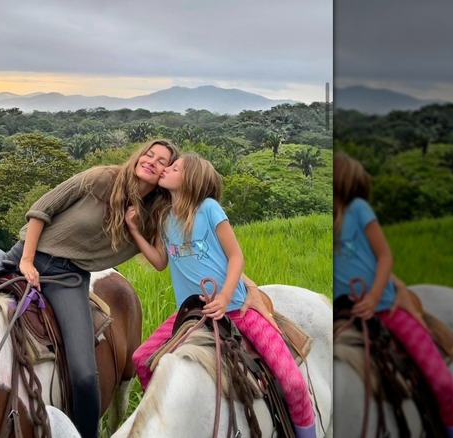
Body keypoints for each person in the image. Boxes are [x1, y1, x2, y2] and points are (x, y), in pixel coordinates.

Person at [127, 153, 316, 438]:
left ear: (189, 180)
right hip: (191, 314)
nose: (166, 168)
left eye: (174, 167)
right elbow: (159, 261)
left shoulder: (210, 209)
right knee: (141, 359)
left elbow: (236, 256)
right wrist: (134, 230)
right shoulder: (164, 217)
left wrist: (226, 297)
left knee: (293, 383)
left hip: (237, 308)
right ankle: (163, 421)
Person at [3, 139, 180, 438]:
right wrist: (27, 260)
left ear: (166, 174)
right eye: (149, 154)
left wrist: (134, 228)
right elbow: (40, 209)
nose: (151, 160)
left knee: (85, 375)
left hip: (67, 278)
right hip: (25, 256)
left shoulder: (155, 215)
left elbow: (160, 260)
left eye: (162, 160)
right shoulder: (101, 179)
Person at [332, 152, 453, 438]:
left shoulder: (358, 210)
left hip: (382, 308)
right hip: (342, 311)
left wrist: (375, 296)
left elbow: (385, 256)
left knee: (441, 382)